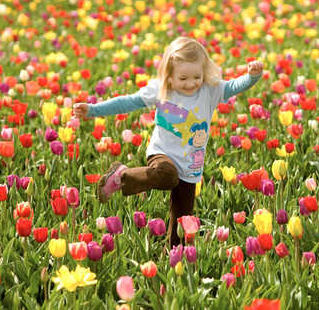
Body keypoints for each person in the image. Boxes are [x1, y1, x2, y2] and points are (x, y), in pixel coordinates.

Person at [73, 37, 264, 246]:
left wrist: (253, 76)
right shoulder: (161, 89)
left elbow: (236, 85)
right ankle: (123, 175)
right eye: (183, 78)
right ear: (169, 75)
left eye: (197, 76)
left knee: (181, 223)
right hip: (162, 152)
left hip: (191, 165)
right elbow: (128, 102)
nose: (191, 83)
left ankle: (174, 255)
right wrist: (93, 110)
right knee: (168, 176)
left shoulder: (210, 90)